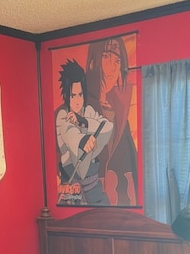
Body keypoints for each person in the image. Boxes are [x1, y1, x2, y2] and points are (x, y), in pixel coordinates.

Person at [85, 37, 138, 206]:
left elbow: (132, 161)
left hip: (121, 201)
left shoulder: (119, 115)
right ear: (94, 62)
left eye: (117, 61)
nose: (113, 67)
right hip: (93, 200)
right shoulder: (78, 110)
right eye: (106, 57)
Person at [55, 59, 113, 206]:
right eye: (72, 95)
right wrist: (83, 140)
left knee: (107, 219)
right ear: (66, 95)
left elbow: (107, 126)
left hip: (93, 184)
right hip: (73, 187)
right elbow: (70, 134)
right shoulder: (62, 115)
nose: (77, 101)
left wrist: (84, 122)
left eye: (80, 95)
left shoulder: (88, 111)